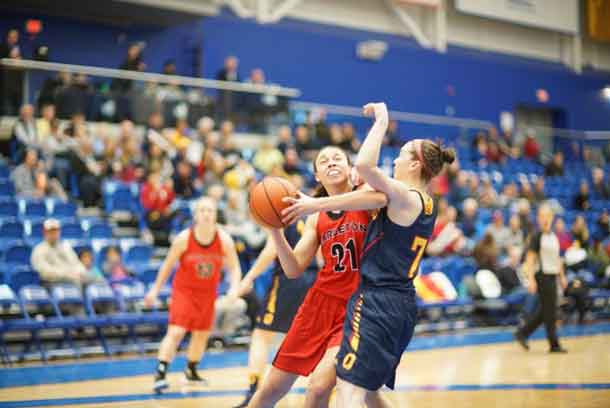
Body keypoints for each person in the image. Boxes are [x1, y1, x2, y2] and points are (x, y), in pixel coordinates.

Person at [281, 102, 454, 406]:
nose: (396, 160)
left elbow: (363, 167)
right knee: (370, 392)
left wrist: (382, 120)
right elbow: (367, 193)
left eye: (401, 155)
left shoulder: (405, 197)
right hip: (399, 304)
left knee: (349, 390)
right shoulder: (422, 202)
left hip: (377, 302)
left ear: (414, 165)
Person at [248, 146, 387, 408]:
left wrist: (314, 203)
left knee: (319, 387)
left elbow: (379, 198)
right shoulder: (316, 219)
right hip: (319, 304)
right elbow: (294, 268)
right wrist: (276, 231)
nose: (331, 162)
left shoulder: (366, 198)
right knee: (270, 389)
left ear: (350, 169)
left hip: (358, 307)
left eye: (338, 159)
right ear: (317, 176)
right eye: (324, 161)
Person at [143, 197, 242, 393]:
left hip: (208, 293)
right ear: (195, 215)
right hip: (184, 292)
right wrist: (154, 290)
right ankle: (161, 372)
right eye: (202, 210)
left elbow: (235, 268)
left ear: (215, 215)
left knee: (201, 334)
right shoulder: (183, 239)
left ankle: (191, 370)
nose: (206, 214)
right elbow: (167, 266)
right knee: (177, 331)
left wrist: (234, 288)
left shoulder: (224, 240)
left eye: (210, 210)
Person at [232, 222, 317, 408]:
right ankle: (327, 386)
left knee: (261, 334)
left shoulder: (284, 213)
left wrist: (249, 277)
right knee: (315, 339)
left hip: (288, 279)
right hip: (315, 280)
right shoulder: (317, 210)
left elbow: (271, 251)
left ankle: (254, 389)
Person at [514, 204, 568, 353]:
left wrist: (562, 277)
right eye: (542, 216)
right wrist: (531, 279)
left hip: (552, 276)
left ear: (552, 218)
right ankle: (554, 344)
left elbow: (558, 259)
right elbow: (530, 259)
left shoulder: (553, 237)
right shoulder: (537, 236)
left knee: (545, 311)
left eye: (548, 216)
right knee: (549, 312)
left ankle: (522, 333)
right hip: (542, 276)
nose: (545, 219)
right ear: (538, 218)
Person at [31, 219, 91, 289]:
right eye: (51, 231)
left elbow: (76, 263)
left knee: (95, 281)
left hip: (71, 278)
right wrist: (66, 274)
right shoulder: (39, 249)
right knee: (74, 285)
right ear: (45, 232)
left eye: (55, 231)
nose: (53, 234)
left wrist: (80, 272)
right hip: (51, 282)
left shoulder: (65, 246)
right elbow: (45, 272)